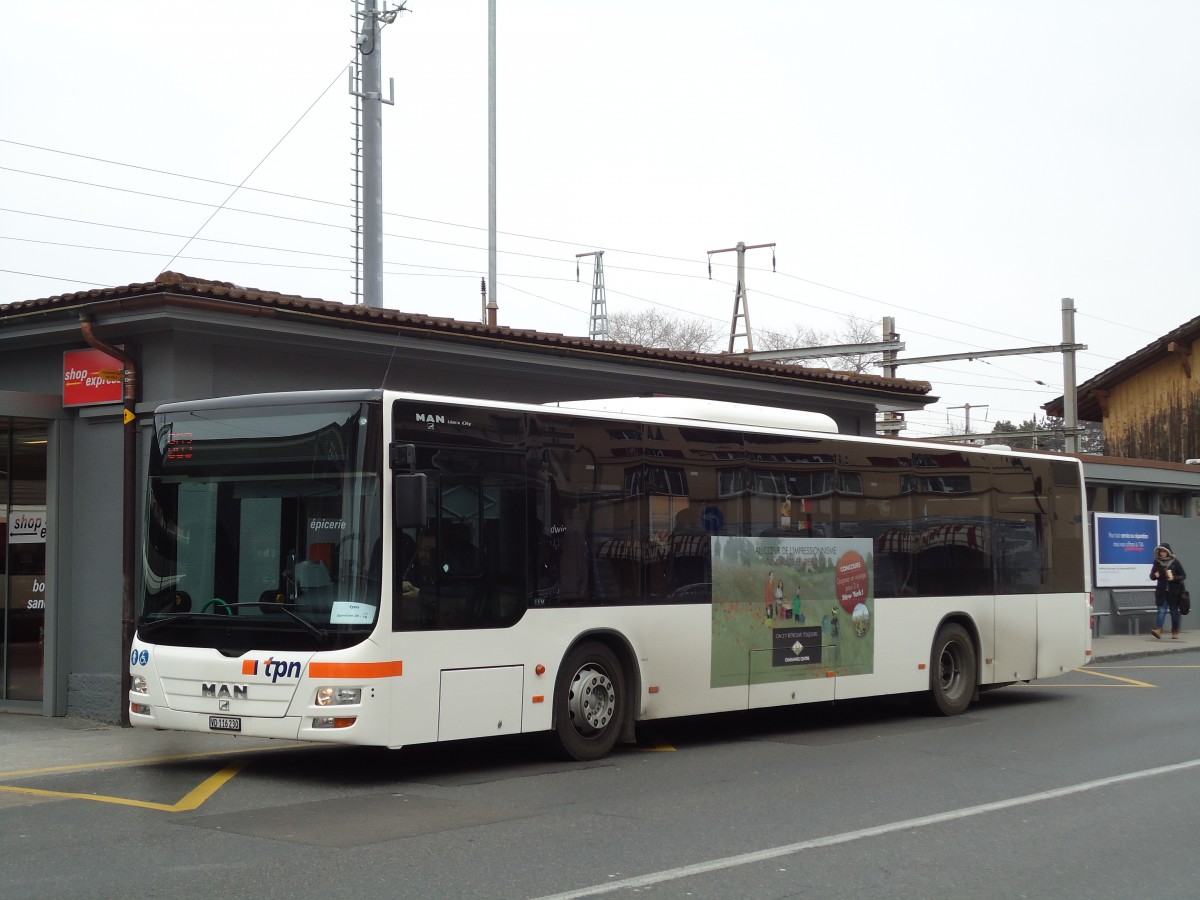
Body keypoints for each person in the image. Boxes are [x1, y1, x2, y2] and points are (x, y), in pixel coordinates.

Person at [1149, 542, 1186, 640]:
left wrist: (1173, 578)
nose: (1162, 554)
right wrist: (1154, 576)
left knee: (1174, 612)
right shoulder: (1157, 562)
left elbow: (1183, 575)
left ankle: (1175, 630)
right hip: (1162, 591)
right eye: (1161, 552)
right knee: (1161, 611)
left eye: (1164, 552)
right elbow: (1152, 576)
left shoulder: (1175, 562)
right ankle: (1158, 630)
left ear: (1168, 552)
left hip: (1174, 592)